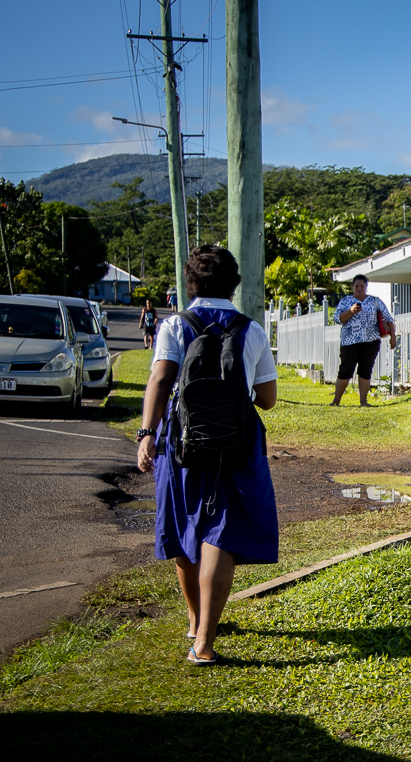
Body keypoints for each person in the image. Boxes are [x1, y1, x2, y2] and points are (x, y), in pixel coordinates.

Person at [135, 245, 278, 666]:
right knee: (223, 531)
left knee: (184, 527)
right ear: (234, 285)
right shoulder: (251, 330)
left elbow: (161, 380)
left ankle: (196, 622)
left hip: (181, 442)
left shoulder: (175, 326)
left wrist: (146, 434)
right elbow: (267, 399)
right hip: (237, 442)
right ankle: (205, 644)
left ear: (189, 282)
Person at [331, 274, 395, 406]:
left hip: (370, 341)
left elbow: (388, 318)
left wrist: (393, 337)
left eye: (362, 286)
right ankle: (336, 401)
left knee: (365, 370)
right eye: (356, 286)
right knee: (346, 369)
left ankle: (363, 401)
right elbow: (338, 319)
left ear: (366, 287)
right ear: (352, 287)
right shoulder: (345, 301)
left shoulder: (375, 301)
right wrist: (351, 311)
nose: (359, 289)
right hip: (349, 342)